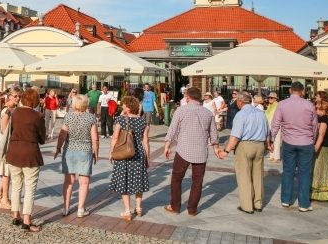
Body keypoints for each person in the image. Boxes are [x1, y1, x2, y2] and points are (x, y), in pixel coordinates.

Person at [164, 87, 222, 216]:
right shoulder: (208, 113)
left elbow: (172, 129)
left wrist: (167, 145)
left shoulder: (181, 110)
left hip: (183, 149)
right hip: (201, 151)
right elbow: (214, 134)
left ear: (188, 97)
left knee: (176, 179)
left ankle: (175, 206)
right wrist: (216, 148)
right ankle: (192, 209)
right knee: (197, 181)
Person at [270, 81, 317, 212]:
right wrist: (312, 139)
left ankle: (286, 200)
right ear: (302, 91)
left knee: (288, 171)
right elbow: (314, 126)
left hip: (289, 142)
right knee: (304, 173)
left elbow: (275, 124)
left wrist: (271, 139)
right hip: (306, 142)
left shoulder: (282, 104)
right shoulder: (309, 105)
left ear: (290, 90)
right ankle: (303, 204)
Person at [219, 91, 270, 213]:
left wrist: (226, 151)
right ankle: (258, 203)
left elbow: (235, 136)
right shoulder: (261, 113)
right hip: (259, 145)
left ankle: (247, 206)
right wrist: (268, 145)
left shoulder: (241, 115)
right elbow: (267, 131)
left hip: (245, 145)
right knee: (258, 175)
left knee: (244, 176)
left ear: (240, 102)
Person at [6, 88, 46, 233]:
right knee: (30, 188)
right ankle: (27, 221)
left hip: (14, 152)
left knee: (16, 185)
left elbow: (11, 131)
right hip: (30, 154)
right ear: (35, 101)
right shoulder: (38, 116)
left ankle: (15, 215)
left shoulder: (15, 113)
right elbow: (42, 139)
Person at [54, 94, 99, 218]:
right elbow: (95, 137)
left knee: (69, 181)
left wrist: (58, 148)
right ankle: (80, 209)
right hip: (85, 151)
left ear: (74, 104)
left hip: (69, 150)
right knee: (84, 182)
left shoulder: (68, 116)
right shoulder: (91, 118)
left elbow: (62, 135)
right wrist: (96, 151)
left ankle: (66, 208)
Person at [108, 96, 150, 221]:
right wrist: (147, 157)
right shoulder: (143, 121)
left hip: (124, 153)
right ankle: (138, 207)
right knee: (138, 180)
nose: (122, 106)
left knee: (124, 181)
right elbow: (146, 141)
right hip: (139, 154)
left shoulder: (121, 119)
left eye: (124, 105)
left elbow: (115, 137)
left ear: (128, 107)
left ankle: (127, 210)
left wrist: (111, 152)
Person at [0, 85, 21, 210]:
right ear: (9, 97)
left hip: (10, 143)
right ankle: (4, 199)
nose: (18, 98)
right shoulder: (7, 111)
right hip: (6, 144)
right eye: (15, 96)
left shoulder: (14, 109)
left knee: (6, 172)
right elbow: (4, 130)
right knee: (6, 173)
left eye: (19, 96)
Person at [265, 92, 281, 162]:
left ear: (275, 99)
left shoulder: (278, 105)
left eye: (271, 98)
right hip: (269, 125)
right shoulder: (269, 106)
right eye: (269, 97)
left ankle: (276, 157)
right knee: (271, 140)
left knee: (276, 141)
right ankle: (271, 155)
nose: (269, 99)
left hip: (276, 125)